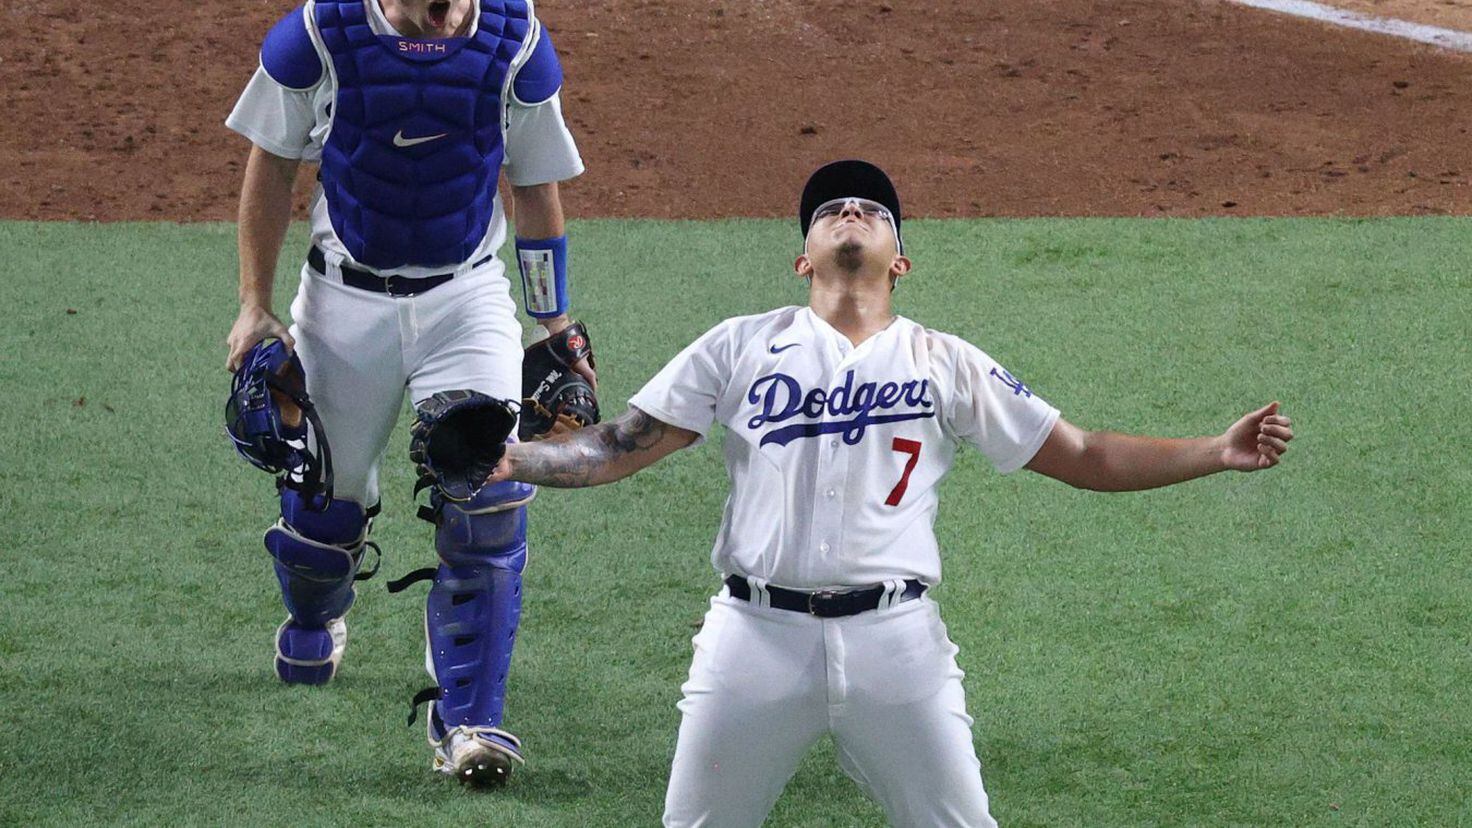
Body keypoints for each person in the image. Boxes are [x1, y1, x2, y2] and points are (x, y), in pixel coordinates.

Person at [485, 159, 1296, 824]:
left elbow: (1084, 453)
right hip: (752, 639)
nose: (849, 212)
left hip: (896, 643)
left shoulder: (946, 362)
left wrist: (1213, 452)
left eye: (870, 210)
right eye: (830, 208)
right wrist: (514, 461)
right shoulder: (740, 346)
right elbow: (620, 445)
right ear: (802, 257)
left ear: (899, 260)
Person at [222, 0, 593, 787]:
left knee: (488, 494)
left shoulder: (515, 40)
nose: (439, 10)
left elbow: (535, 186)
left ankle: (469, 720)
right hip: (341, 303)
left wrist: (551, 321)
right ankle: (318, 612)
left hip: (467, 299)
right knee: (326, 511)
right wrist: (254, 304)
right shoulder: (319, 36)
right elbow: (271, 164)